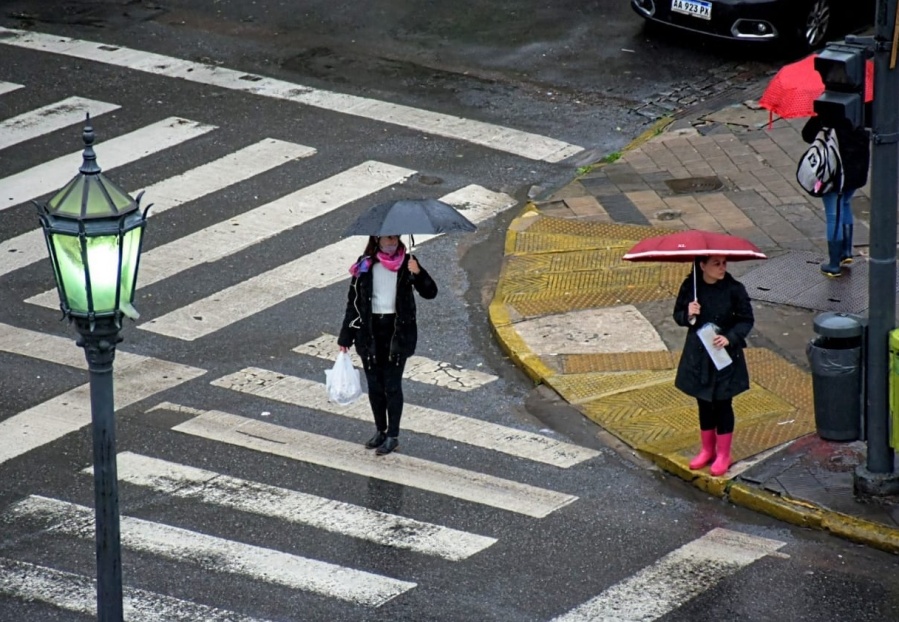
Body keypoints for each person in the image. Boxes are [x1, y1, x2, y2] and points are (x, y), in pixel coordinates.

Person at [337, 234, 438, 455]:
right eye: (388, 239)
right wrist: (346, 337)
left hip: (397, 333)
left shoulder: (408, 263)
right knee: (375, 386)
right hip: (369, 332)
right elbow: (354, 302)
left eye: (395, 238)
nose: (392, 243)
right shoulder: (365, 264)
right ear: (377, 239)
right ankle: (380, 430)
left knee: (392, 386)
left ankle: (393, 435)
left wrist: (418, 273)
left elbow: (430, 292)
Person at [673, 255, 754, 477]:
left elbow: (746, 319)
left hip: (723, 356)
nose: (722, 268)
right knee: (704, 402)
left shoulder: (734, 289)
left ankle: (724, 454)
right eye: (716, 264)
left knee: (723, 403)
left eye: (724, 263)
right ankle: (707, 450)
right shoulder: (691, 286)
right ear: (702, 265)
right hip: (699, 356)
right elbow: (678, 315)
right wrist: (689, 314)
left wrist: (730, 338)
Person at [801, 115, 871, 277]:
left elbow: (807, 135)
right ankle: (846, 251)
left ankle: (833, 264)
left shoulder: (827, 116)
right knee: (845, 204)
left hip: (834, 176)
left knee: (833, 216)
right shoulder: (859, 113)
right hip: (855, 174)